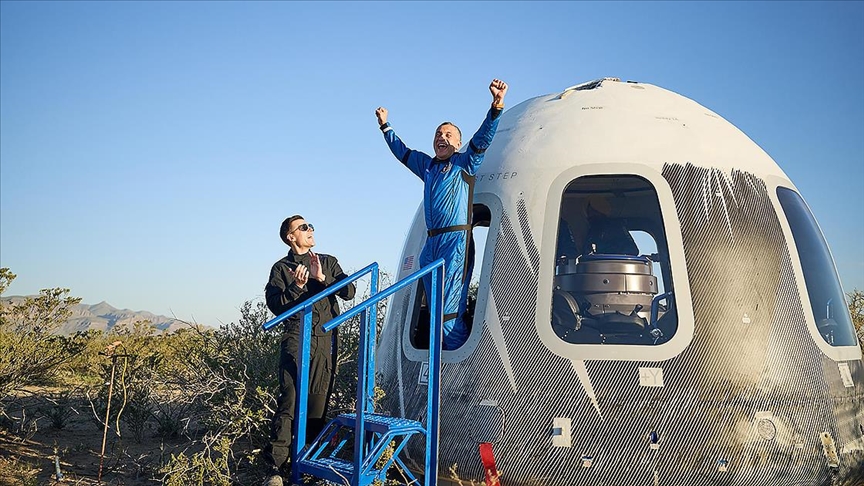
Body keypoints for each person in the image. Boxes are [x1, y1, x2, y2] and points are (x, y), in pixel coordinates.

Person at [375, 79, 508, 350]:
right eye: (438, 134)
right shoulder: (427, 166)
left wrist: (496, 107)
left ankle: (457, 366)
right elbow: (402, 152)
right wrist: (385, 127)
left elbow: (483, 138)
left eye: (448, 135)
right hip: (431, 244)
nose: (441, 138)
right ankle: (438, 357)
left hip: (455, 242)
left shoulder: (464, 163)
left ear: (458, 142)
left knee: (448, 311)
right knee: (433, 309)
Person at [262, 215, 356, 486]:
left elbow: (350, 291)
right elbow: (276, 306)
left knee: (317, 403)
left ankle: (308, 465)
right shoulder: (281, 268)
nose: (310, 229)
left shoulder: (328, 261)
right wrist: (298, 287)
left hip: (325, 340)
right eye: (303, 227)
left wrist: (323, 279)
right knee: (289, 400)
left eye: (310, 225)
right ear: (291, 237)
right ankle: (276, 469)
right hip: (296, 338)